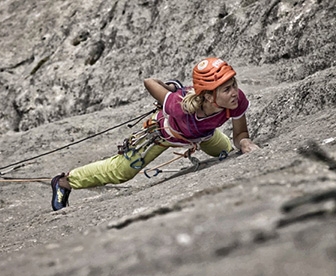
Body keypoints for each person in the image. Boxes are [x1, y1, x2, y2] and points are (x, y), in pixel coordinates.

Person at [51, 57, 258, 210]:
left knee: (226, 150)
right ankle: (64, 182)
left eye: (233, 85)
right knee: (122, 171)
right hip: (162, 134)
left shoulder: (236, 101)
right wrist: (169, 89)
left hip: (204, 135)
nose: (234, 92)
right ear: (209, 97)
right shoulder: (179, 107)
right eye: (226, 89)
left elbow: (241, 134)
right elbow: (149, 82)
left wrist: (245, 143)